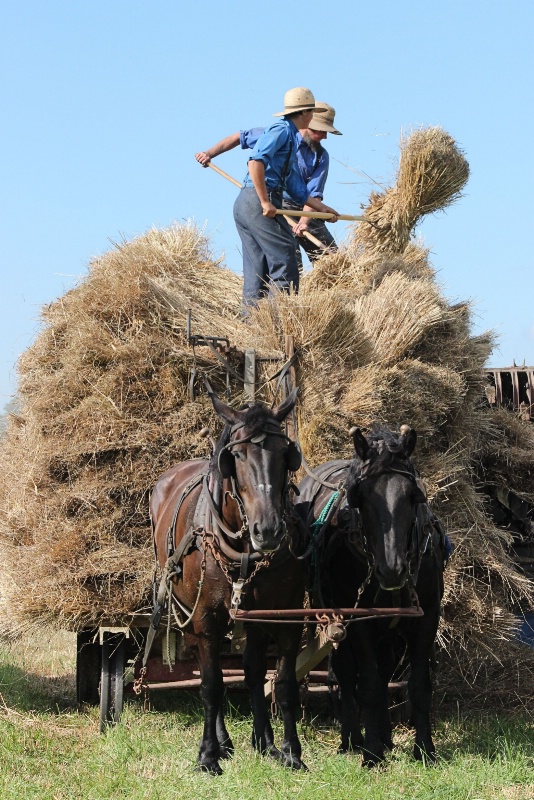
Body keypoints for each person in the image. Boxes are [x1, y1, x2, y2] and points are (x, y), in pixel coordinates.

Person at [195, 87, 339, 307]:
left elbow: (297, 188)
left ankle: (252, 328)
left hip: (248, 204)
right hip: (258, 201)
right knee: (286, 262)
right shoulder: (280, 131)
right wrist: (264, 201)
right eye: (311, 112)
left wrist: (323, 208)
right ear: (303, 113)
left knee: (257, 269)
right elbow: (255, 162)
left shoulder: (291, 139)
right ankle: (276, 326)